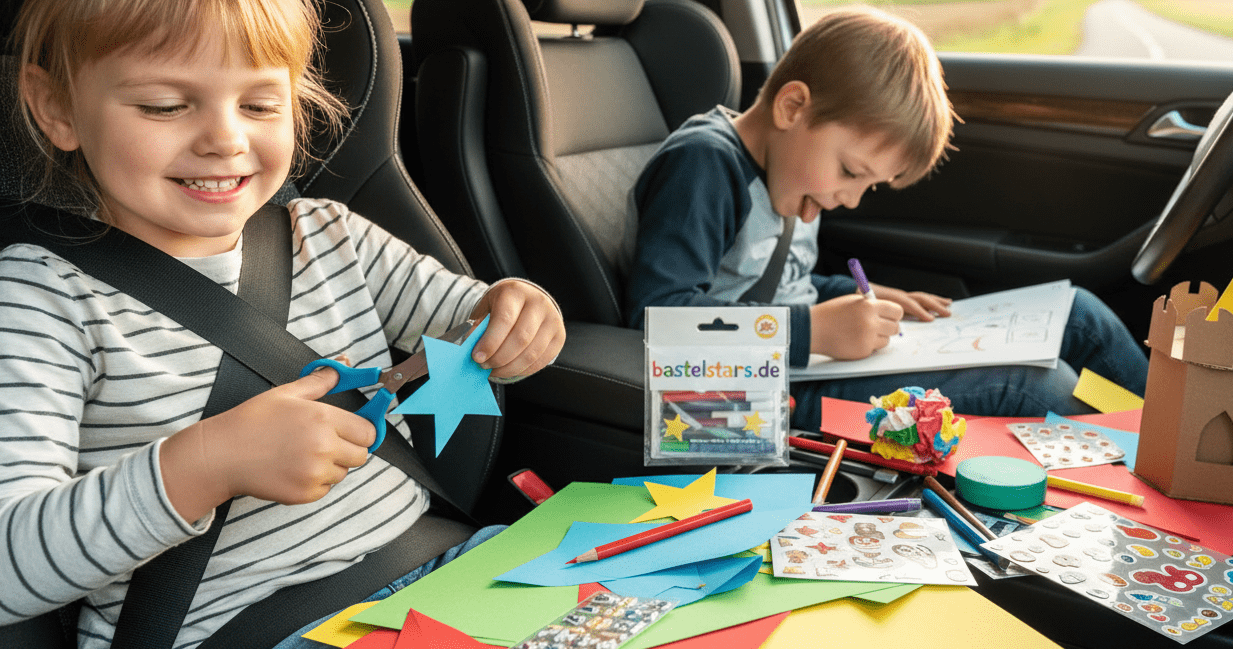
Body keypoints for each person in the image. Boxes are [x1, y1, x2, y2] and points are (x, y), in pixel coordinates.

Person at [0, 0, 565, 646]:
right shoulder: (45, 297)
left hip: (443, 569)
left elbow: (474, 316)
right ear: (57, 108)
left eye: (261, 105)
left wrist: (519, 313)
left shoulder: (329, 234)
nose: (226, 139)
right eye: (164, 105)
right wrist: (209, 463)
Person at [624, 9, 1148, 432]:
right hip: (757, 396)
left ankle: (1171, 446)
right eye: (851, 171)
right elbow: (656, 319)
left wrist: (868, 298)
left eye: (866, 184)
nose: (851, 199)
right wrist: (813, 332)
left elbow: (786, 287)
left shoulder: (792, 172)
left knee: (1080, 314)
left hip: (810, 359)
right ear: (792, 107)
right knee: (1041, 385)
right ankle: (1133, 494)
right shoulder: (705, 165)